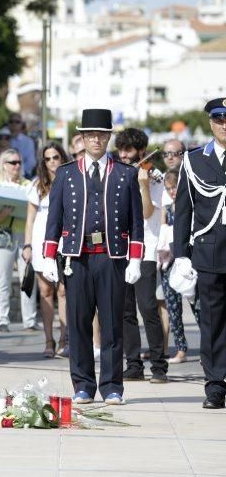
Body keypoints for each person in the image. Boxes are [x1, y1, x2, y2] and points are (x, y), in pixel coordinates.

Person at [42, 109, 144, 406]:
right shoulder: (66, 173)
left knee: (112, 324)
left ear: (109, 137)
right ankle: (83, 385)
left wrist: (135, 258)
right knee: (78, 324)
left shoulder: (126, 173)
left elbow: (136, 220)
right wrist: (49, 256)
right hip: (77, 257)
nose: (96, 139)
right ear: (82, 138)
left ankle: (112, 386)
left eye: (101, 134)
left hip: (112, 257)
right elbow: (54, 219)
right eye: (90, 135)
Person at [172, 97, 226, 409]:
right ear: (210, 122)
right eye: (218, 119)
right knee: (212, 324)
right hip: (208, 254)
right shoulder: (195, 160)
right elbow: (183, 211)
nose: (224, 125)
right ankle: (215, 385)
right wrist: (181, 254)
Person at [113, 128, 169, 383]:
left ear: (142, 152)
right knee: (125, 310)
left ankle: (158, 365)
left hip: (146, 247)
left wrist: (142, 185)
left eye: (129, 150)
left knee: (147, 307)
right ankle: (133, 364)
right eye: (121, 149)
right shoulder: (117, 172)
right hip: (121, 248)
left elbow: (147, 213)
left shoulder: (154, 176)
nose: (124, 155)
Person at [24, 142, 69, 358]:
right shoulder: (37, 185)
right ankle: (48, 340)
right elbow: (30, 218)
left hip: (64, 242)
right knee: (46, 292)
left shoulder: (71, 181)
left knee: (63, 291)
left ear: (62, 158)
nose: (52, 162)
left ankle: (64, 339)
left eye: (56, 157)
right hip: (41, 242)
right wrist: (27, 245)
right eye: (48, 158)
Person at [0, 149, 37, 332]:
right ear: (4, 165)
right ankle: (2, 319)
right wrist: (4, 213)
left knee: (28, 277)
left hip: (25, 234)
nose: (17, 166)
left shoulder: (28, 185)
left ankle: (30, 320)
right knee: (3, 279)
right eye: (12, 162)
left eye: (19, 162)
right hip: (2, 233)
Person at [157, 168, 200, 365]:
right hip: (169, 264)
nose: (172, 191)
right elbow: (163, 227)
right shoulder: (167, 207)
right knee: (173, 310)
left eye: (174, 187)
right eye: (169, 188)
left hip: (188, 262)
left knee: (197, 306)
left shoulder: (190, 204)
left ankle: (208, 348)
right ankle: (181, 348)